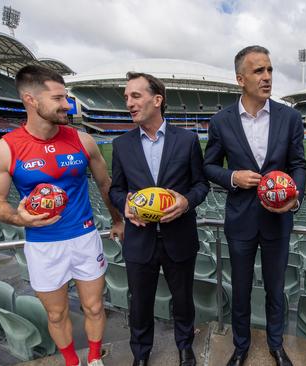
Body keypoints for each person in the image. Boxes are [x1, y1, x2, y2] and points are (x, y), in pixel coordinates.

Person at [0, 65, 124, 366]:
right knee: (57, 313)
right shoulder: (3, 150)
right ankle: (72, 362)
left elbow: (105, 184)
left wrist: (117, 220)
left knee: (95, 306)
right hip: (43, 245)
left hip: (85, 238)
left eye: (67, 97)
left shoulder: (83, 140)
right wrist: (20, 218)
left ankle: (95, 359)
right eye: (59, 98)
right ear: (30, 100)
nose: (67, 105)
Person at [204, 45, 306, 366]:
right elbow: (208, 166)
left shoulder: (289, 117)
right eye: (258, 71)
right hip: (241, 219)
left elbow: (299, 165)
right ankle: (241, 345)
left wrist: (294, 197)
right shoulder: (221, 121)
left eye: (270, 70)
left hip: (278, 220)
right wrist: (233, 176)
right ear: (240, 79)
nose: (267, 77)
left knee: (276, 289)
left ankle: (276, 345)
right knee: (241, 289)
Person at [109, 72, 209, 366]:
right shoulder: (121, 144)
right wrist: (125, 204)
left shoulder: (188, 140)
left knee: (182, 301)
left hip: (179, 236)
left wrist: (186, 202)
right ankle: (140, 355)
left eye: (135, 96)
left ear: (157, 100)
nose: (128, 103)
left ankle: (184, 347)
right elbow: (116, 189)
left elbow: (201, 184)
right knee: (139, 303)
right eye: (126, 97)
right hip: (139, 240)